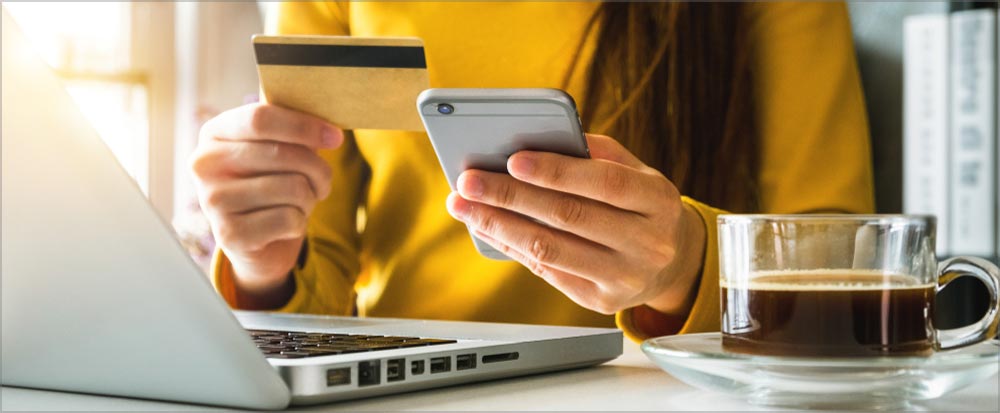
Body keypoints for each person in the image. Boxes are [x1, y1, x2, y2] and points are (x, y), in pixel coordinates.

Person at [190, 2, 874, 341]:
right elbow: (317, 306)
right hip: (404, 388)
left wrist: (686, 266)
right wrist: (261, 265)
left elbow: (849, 272)